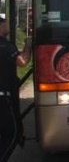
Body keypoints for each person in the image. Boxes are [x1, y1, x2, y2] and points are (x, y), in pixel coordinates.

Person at [1, 13, 31, 162]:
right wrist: (29, 44)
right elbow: (23, 61)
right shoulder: (5, 46)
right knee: (12, 134)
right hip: (3, 98)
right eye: (3, 23)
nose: (6, 25)